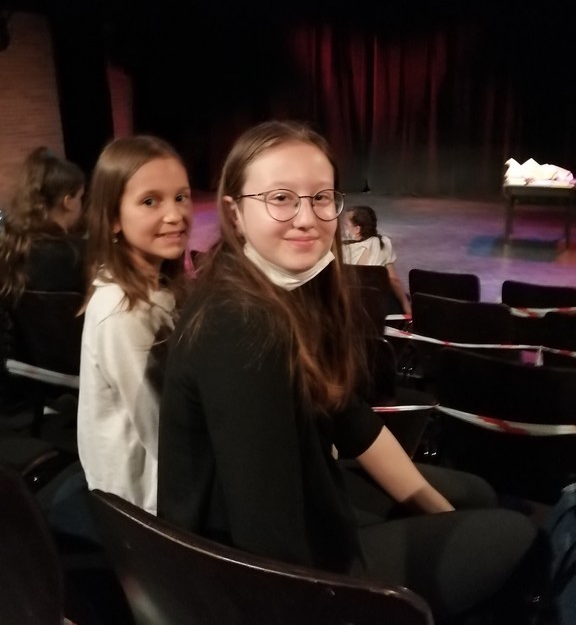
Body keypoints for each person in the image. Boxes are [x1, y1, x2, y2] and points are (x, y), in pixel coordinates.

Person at [157, 120, 537, 623]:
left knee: (474, 497)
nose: (307, 219)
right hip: (247, 569)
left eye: (321, 198)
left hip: (307, 494)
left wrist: (437, 509)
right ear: (234, 212)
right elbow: (267, 531)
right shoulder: (242, 327)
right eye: (280, 198)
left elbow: (346, 413)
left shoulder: (295, 288)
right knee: (518, 536)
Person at [78, 135, 192, 515]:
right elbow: (163, 430)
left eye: (181, 196)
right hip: (144, 504)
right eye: (150, 202)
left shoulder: (157, 287)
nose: (175, 215)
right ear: (113, 218)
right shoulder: (123, 313)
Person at [0, 146, 86, 298]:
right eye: (80, 197)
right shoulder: (78, 256)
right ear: (68, 202)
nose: (82, 204)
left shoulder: (11, 247)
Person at [343, 205, 411, 317]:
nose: (343, 227)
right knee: (404, 297)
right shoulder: (383, 243)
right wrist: (406, 306)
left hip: (349, 305)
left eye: (346, 224)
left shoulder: (341, 248)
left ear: (357, 229)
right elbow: (394, 280)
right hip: (375, 305)